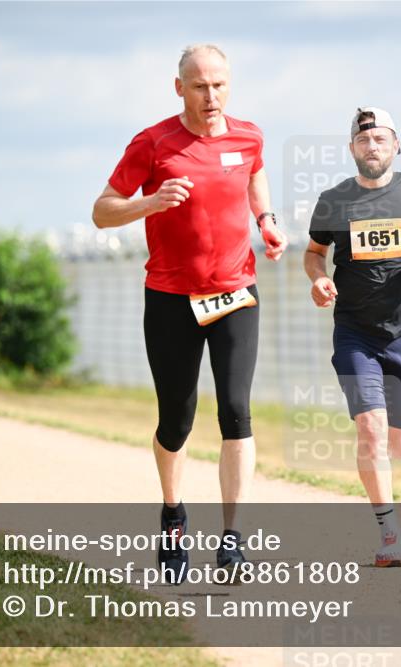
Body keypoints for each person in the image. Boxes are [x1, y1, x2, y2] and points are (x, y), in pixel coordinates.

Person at [92, 44, 287, 583]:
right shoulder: (153, 143)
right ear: (179, 88)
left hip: (235, 293)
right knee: (176, 421)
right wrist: (149, 203)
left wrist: (266, 219)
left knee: (236, 410)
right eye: (199, 86)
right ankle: (173, 514)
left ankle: (233, 540)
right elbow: (102, 211)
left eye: (219, 85)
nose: (211, 96)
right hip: (171, 298)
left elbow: (254, 174)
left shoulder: (248, 136)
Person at [304, 107, 401, 567]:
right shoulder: (333, 200)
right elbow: (314, 253)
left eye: (381, 139)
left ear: (396, 145)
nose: (372, 146)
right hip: (355, 332)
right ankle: (390, 534)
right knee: (370, 430)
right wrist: (318, 278)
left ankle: (385, 465)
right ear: (352, 148)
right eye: (364, 139)